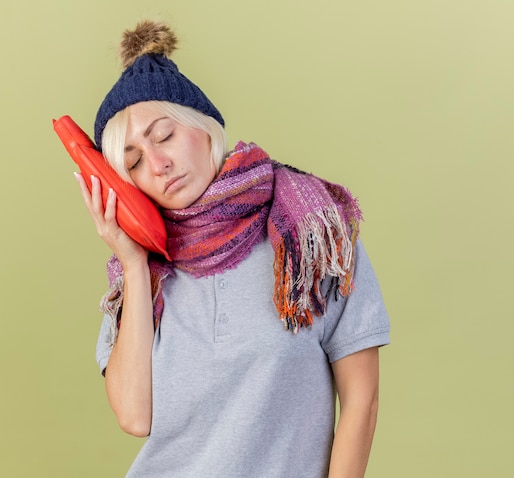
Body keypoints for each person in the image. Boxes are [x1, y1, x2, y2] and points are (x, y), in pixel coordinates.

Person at [74, 19, 390, 478]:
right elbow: (134, 416)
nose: (158, 164)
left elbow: (362, 401)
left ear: (203, 128)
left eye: (164, 136)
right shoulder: (141, 280)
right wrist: (134, 261)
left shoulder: (311, 237)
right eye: (134, 162)